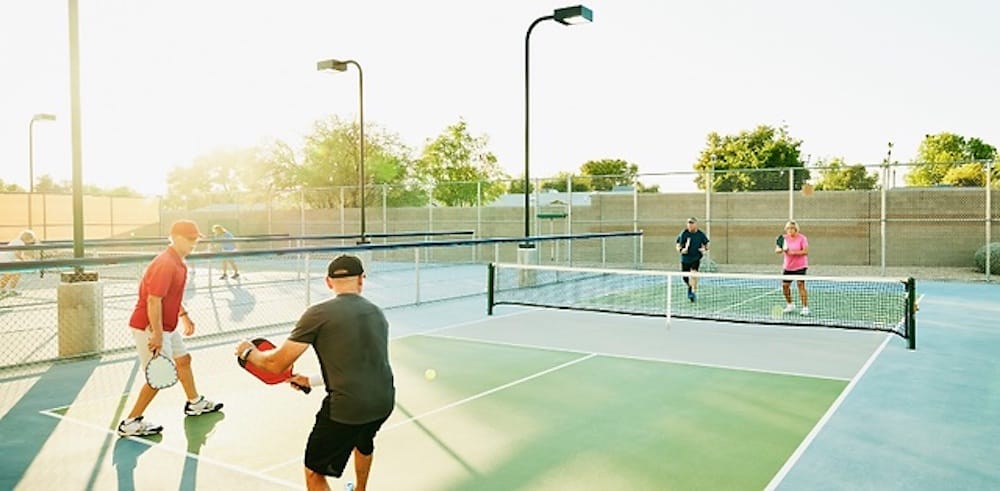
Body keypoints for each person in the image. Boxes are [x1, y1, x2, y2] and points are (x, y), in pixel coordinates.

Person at [235, 254, 395, 491]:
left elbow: (275, 364)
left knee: (314, 472)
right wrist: (310, 380)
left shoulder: (318, 313)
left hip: (347, 407)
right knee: (363, 442)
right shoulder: (376, 313)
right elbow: (362, 365)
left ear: (328, 282)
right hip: (383, 402)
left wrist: (248, 352)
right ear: (362, 279)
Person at [117, 220, 223, 437]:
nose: (194, 243)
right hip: (150, 325)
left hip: (167, 324)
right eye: (190, 239)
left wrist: (184, 316)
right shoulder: (165, 263)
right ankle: (130, 422)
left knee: (183, 360)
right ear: (175, 237)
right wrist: (156, 333)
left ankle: (194, 403)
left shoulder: (178, 262)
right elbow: (154, 300)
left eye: (196, 239)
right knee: (158, 377)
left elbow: (169, 297)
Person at [776, 220, 809, 315]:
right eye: (788, 228)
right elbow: (777, 249)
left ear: (796, 229)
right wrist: (782, 249)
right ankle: (790, 305)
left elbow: (805, 251)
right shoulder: (783, 238)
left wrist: (793, 252)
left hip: (800, 266)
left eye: (792, 228)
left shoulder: (802, 238)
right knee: (785, 286)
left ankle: (805, 307)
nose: (790, 230)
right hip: (788, 267)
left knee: (800, 285)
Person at [675, 217, 709, 302]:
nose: (690, 226)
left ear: (695, 224)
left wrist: (704, 249)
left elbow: (707, 244)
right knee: (685, 278)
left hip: (696, 258)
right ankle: (690, 287)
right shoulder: (684, 233)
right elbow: (678, 244)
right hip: (685, 259)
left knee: (694, 274)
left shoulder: (700, 234)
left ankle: (693, 292)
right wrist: (681, 250)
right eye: (688, 224)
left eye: (691, 224)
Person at [0, 229, 38, 298]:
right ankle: (8, 289)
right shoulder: (21, 243)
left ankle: (6, 289)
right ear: (28, 238)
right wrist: (24, 261)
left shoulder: (15, 241)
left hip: (4, 259)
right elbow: (18, 254)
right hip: (6, 260)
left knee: (13, 273)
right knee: (11, 274)